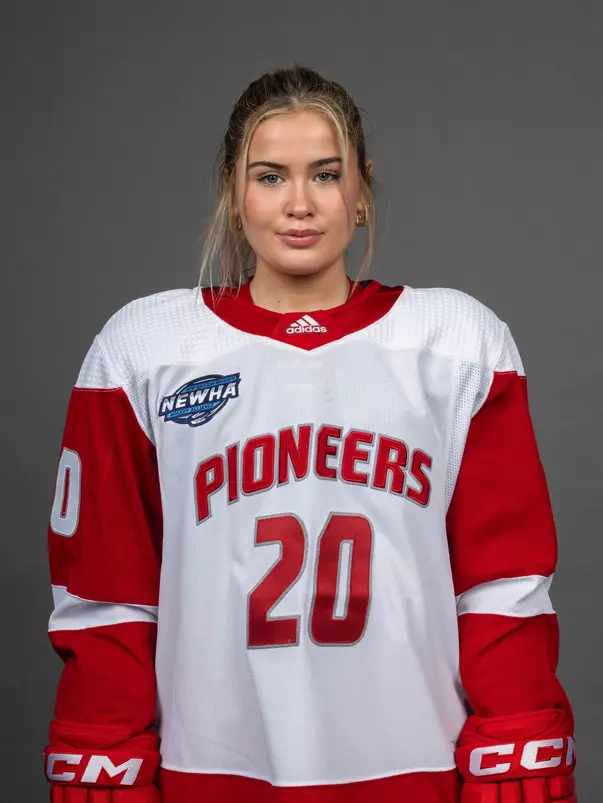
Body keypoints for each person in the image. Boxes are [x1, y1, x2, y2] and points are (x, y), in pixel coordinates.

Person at [44, 65, 577, 803]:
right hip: (215, 768)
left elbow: (502, 580)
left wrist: (519, 732)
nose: (299, 204)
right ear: (234, 194)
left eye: (324, 175)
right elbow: (107, 591)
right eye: (269, 177)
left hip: (413, 763)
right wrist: (101, 746)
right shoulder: (145, 349)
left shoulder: (455, 342)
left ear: (360, 191)